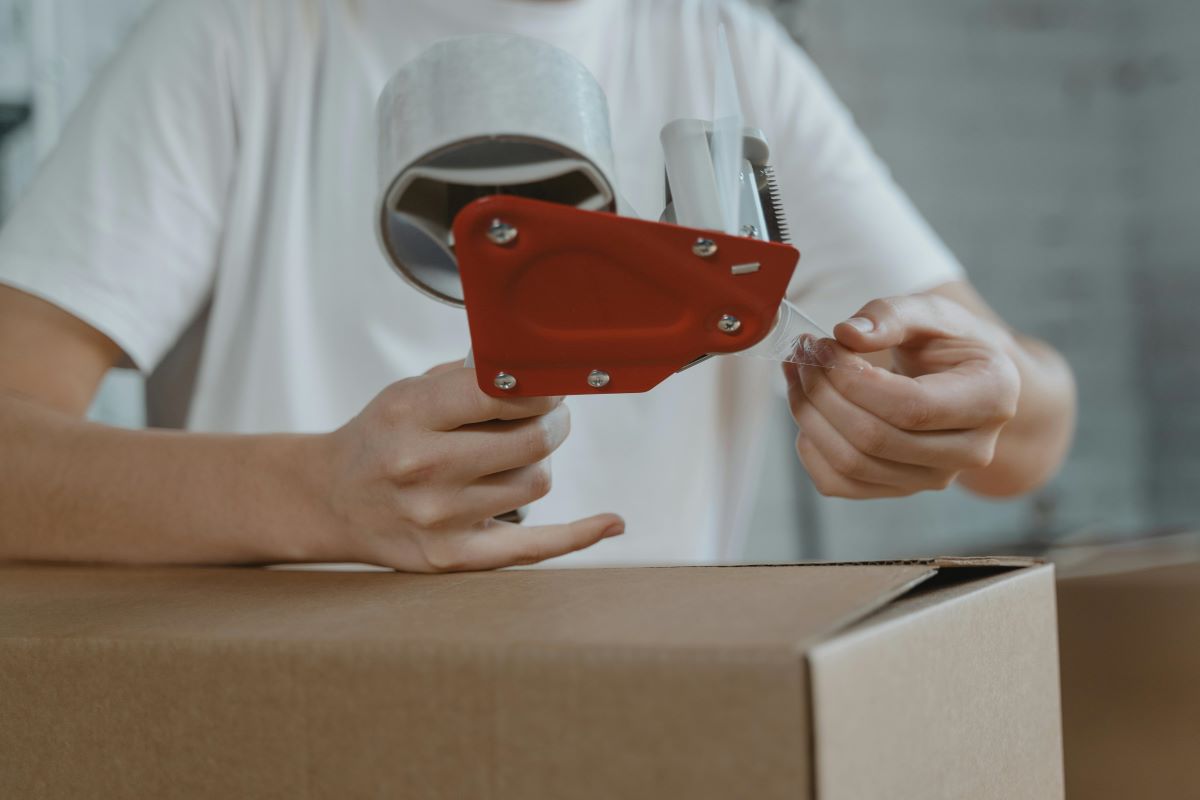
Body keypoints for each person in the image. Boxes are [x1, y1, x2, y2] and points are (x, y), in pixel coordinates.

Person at [0, 0, 1075, 572]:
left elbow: (1031, 432)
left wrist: (975, 402)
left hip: (640, 727)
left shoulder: (719, 51)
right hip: (292, 716)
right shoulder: (241, 36)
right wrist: (316, 493)